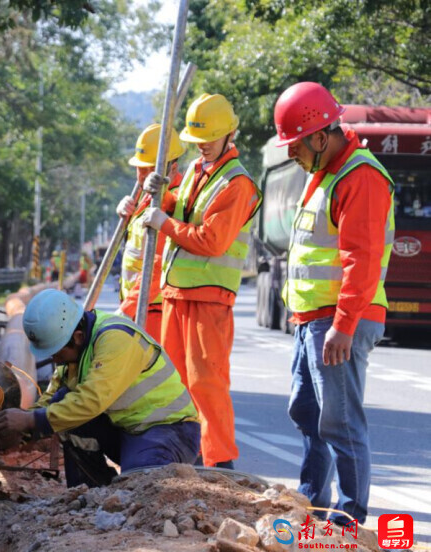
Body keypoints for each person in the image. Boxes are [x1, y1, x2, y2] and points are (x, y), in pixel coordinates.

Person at [274, 82, 394, 526]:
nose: (292, 155)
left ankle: (348, 517)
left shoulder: (359, 175)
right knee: (306, 411)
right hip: (314, 319)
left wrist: (344, 326)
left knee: (341, 424)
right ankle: (312, 501)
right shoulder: (326, 173)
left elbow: (361, 260)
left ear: (320, 137)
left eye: (295, 146)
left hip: (341, 320)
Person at [140, 93, 262, 469]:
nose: (203, 146)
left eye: (209, 138)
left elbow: (211, 240)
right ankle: (188, 456)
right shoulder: (198, 170)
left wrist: (164, 222)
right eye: (197, 140)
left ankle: (219, 464)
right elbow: (179, 205)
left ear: (230, 134)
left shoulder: (237, 184)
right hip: (177, 292)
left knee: (206, 384)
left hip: (209, 298)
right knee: (175, 383)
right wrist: (157, 195)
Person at [0, 289, 200, 488]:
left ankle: (126, 492)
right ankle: (93, 494)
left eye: (55, 351)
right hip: (128, 431)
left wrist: (30, 420)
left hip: (169, 431)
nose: (53, 358)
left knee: (139, 485)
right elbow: (53, 398)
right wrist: (24, 424)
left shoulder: (116, 338)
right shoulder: (76, 351)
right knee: (62, 406)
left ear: (78, 336)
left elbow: (92, 401)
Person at [115, 123, 186, 340]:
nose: (143, 175)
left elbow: (157, 266)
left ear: (172, 168)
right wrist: (126, 213)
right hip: (139, 308)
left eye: (149, 168)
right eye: (140, 168)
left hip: (154, 310)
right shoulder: (146, 197)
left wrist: (126, 309)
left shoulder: (174, 202)